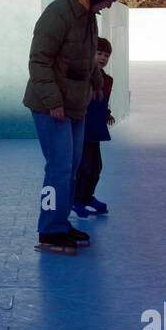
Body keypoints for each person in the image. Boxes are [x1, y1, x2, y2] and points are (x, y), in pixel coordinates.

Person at [24, 0, 125, 253]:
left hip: (77, 103)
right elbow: (39, 60)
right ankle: (49, 230)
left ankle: (61, 222)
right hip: (51, 105)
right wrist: (53, 100)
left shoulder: (89, 15)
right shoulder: (58, 13)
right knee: (57, 169)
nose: (108, 6)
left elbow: (89, 54)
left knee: (72, 168)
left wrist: (96, 81)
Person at [73, 37, 116, 218]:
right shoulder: (83, 76)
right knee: (83, 167)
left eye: (106, 55)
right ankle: (76, 200)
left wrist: (107, 113)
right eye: (99, 53)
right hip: (83, 128)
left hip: (95, 130)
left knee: (96, 167)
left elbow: (102, 101)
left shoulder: (107, 80)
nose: (103, 58)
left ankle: (87, 197)